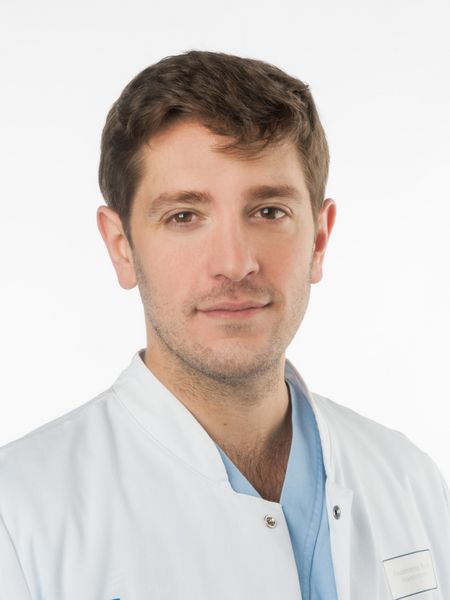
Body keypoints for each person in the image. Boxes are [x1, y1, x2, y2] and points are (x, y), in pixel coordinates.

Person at [0, 50, 449, 600]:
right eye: (184, 216)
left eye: (269, 211)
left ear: (319, 239)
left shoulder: (409, 480)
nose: (235, 264)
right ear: (121, 247)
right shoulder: (18, 514)